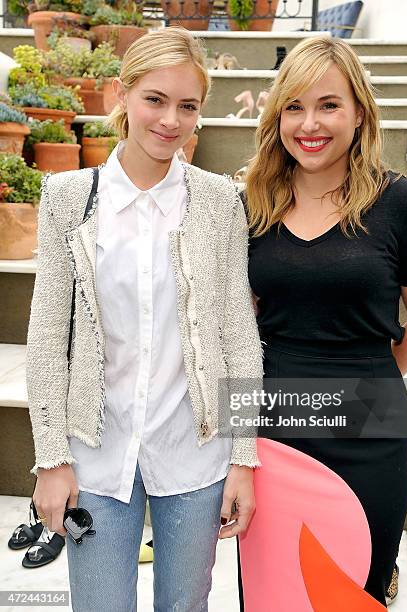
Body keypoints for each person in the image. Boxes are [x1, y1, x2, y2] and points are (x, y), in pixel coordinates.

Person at [26, 27, 263, 612]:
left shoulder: (218, 202)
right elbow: (46, 339)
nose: (170, 121)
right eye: (155, 99)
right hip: (96, 457)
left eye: (188, 106)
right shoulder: (68, 197)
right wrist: (52, 460)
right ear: (120, 95)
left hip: (195, 454)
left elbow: (238, 335)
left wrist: (243, 458)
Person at [239, 35, 407, 609]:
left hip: (368, 417)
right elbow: (239, 320)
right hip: (272, 414)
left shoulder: (400, 203)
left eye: (329, 104)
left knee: (355, 585)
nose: (311, 123)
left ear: (359, 112)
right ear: (276, 115)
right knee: (275, 586)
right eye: (294, 106)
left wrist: (370, 377)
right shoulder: (253, 204)